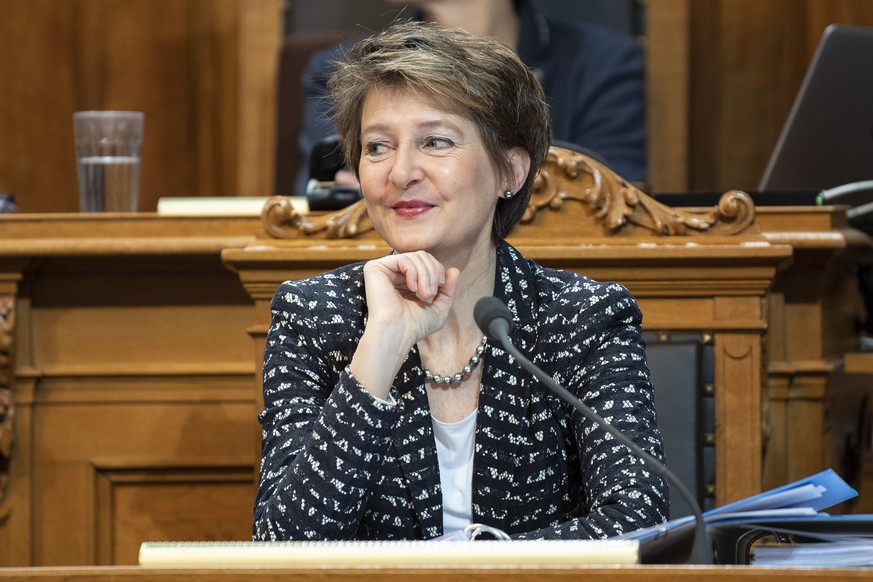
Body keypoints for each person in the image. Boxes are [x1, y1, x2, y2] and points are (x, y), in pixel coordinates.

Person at [254, 20, 668, 542]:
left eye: (436, 141)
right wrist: (379, 347)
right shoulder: (315, 317)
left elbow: (639, 520)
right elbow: (283, 543)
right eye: (377, 147)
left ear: (511, 172)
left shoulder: (584, 317)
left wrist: (468, 564)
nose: (400, 171)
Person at [294, 0, 647, 195]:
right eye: (377, 148)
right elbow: (321, 195)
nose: (402, 173)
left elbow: (612, 199)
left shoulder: (604, 62)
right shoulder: (342, 69)